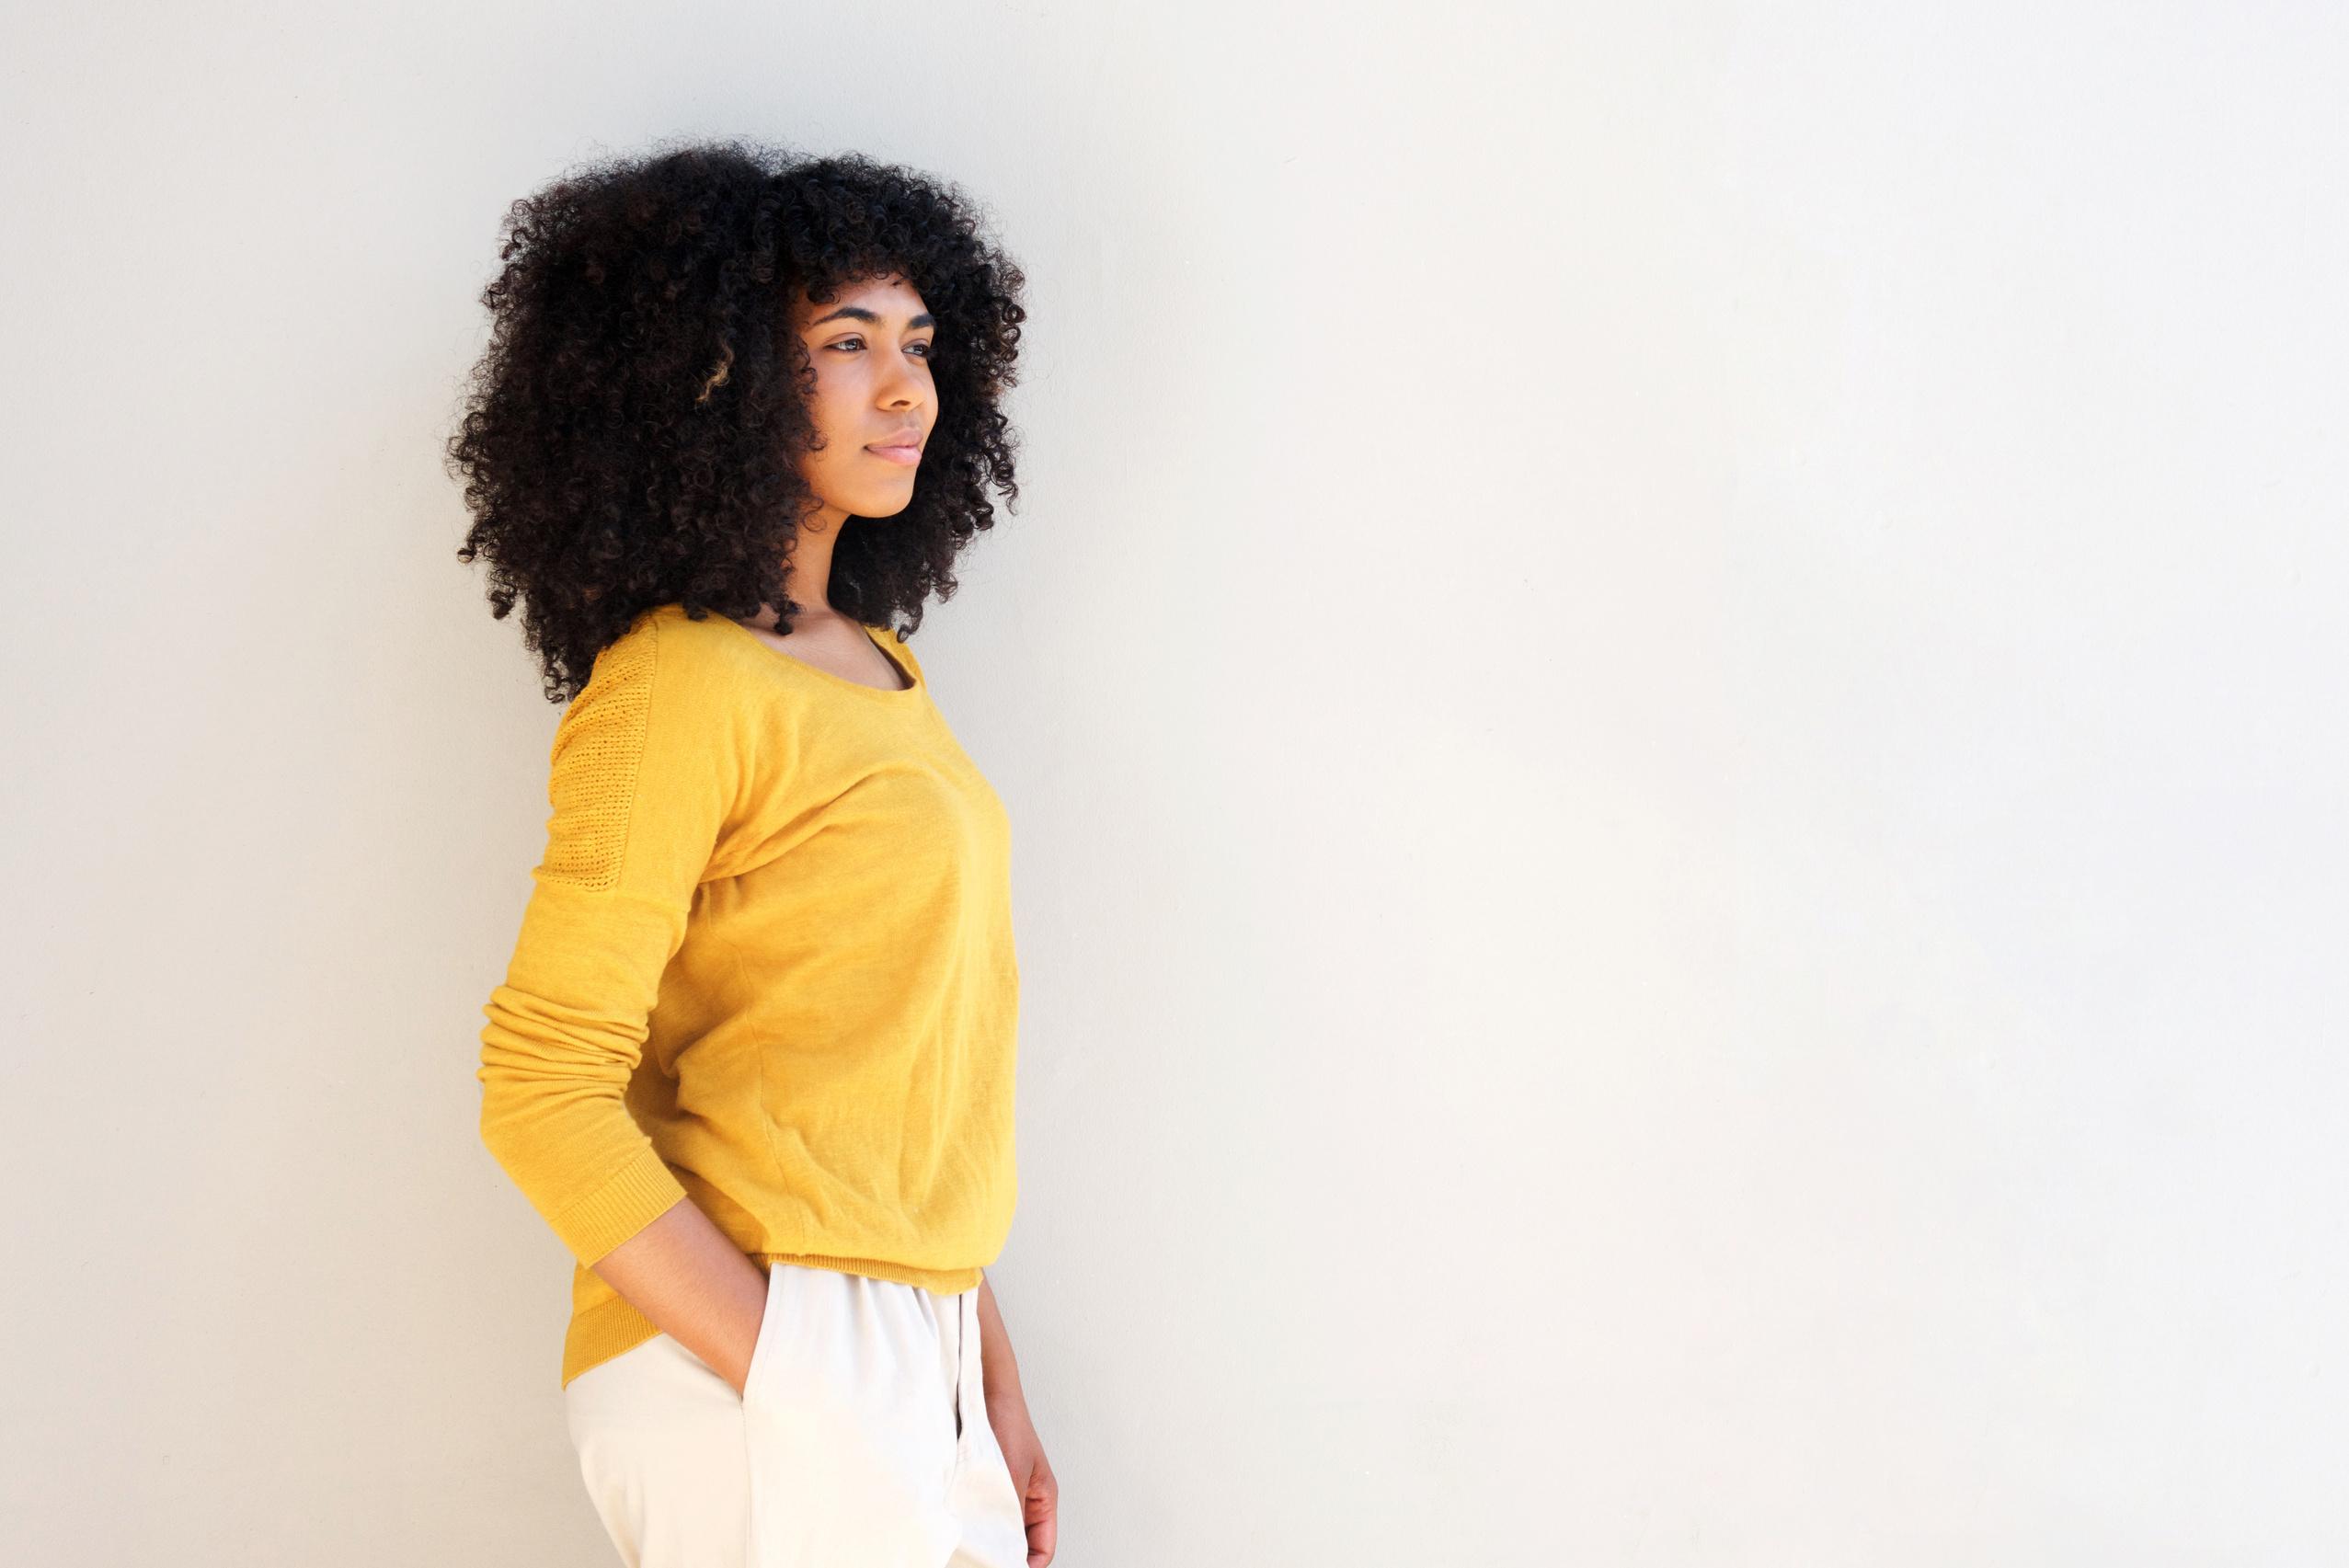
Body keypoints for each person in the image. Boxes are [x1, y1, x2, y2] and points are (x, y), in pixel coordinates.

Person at [448, 142, 1055, 1568]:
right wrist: (794, 1369)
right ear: (716, 374)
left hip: (910, 1345)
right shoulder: (675, 682)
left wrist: (986, 1381)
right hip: (756, 1353)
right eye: (846, 344)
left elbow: (896, 1088)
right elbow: (538, 1085)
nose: (906, 386)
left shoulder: (881, 668)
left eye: (916, 342)